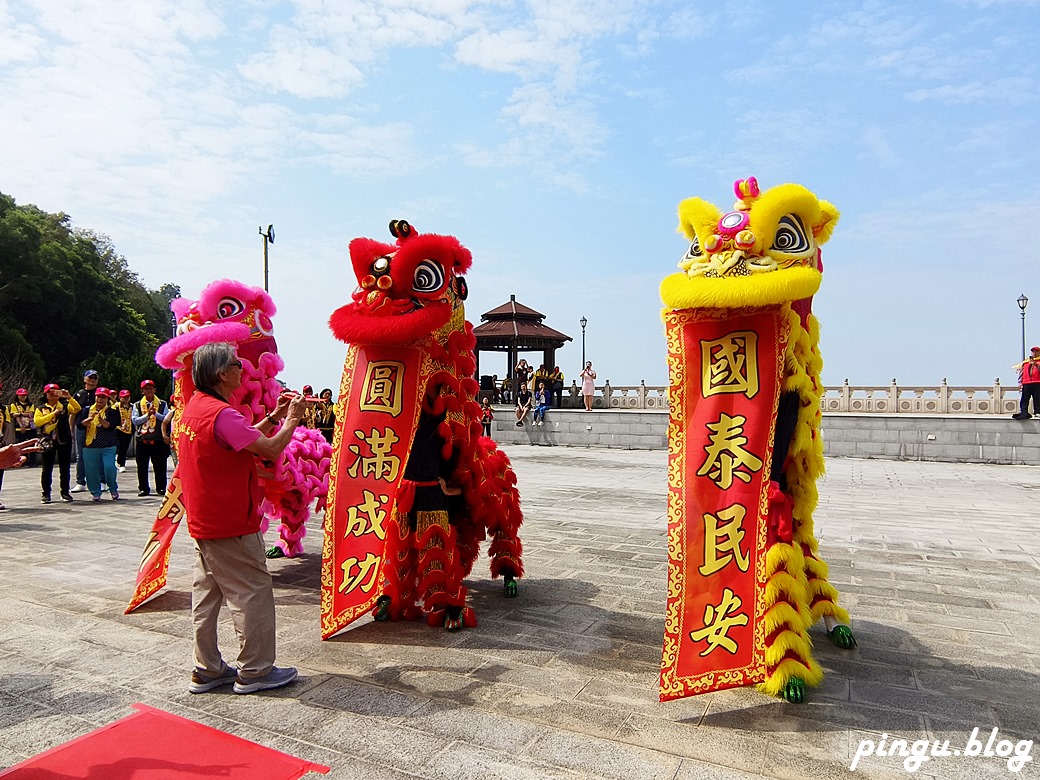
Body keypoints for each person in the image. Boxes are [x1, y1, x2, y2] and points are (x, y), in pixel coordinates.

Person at [179, 341, 307, 695]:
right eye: (237, 364)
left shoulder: (197, 408)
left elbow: (242, 438)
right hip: (230, 519)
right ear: (222, 374)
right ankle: (256, 670)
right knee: (252, 592)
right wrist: (294, 419)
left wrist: (274, 418)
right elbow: (267, 448)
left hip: (205, 520)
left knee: (207, 595)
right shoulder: (221, 414)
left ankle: (206, 668)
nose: (242, 370)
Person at [34, 384, 81, 503]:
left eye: (55, 392)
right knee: (47, 468)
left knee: (64, 467)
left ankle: (65, 492)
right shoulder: (40, 408)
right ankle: (46, 493)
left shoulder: (64, 406)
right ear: (45, 394)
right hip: (47, 441)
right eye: (50, 392)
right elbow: (38, 422)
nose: (52, 394)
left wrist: (69, 397)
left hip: (64, 439)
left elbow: (77, 409)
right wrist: (53, 414)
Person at [78, 386, 121, 501]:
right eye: (98, 397)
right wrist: (88, 420)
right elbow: (79, 425)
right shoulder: (87, 410)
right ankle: (95, 492)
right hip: (90, 445)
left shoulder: (112, 411)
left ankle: (112, 488)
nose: (100, 399)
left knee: (109, 468)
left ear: (107, 399)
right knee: (91, 471)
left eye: (103, 397)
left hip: (108, 445)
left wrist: (101, 420)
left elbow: (111, 426)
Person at [133, 379, 169, 497]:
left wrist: (155, 414)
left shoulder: (162, 403)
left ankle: (161, 488)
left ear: (155, 390)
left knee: (160, 465)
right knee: (142, 466)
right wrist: (147, 415)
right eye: (146, 388)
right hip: (142, 439)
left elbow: (165, 418)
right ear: (142, 391)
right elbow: (135, 420)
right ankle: (143, 488)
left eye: (150, 388)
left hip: (158, 440)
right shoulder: (137, 404)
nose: (148, 390)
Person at [70, 369, 99, 492]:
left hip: (97, 428)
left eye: (95, 378)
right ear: (84, 379)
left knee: (98, 455)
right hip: (82, 427)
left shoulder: (100, 393)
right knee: (81, 455)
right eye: (90, 377)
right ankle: (80, 481)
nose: (92, 380)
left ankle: (99, 481)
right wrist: (71, 429)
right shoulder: (78, 394)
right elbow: (73, 413)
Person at [9, 388, 38, 466]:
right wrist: (24, 414)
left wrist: (20, 413)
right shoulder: (14, 405)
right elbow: (14, 415)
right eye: (21, 395)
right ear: (18, 396)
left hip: (31, 427)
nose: (23, 397)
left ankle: (33, 461)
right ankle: (23, 461)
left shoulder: (31, 404)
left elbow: (31, 413)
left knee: (32, 445)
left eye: (25, 395)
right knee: (22, 445)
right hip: (19, 427)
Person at [1012, 346, 1040, 419]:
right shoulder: (1026, 362)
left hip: (1037, 382)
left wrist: (1036, 364)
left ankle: (1038, 411)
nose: (1034, 353)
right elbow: (1021, 373)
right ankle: (1024, 411)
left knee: (1037, 398)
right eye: (1033, 351)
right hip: (1026, 382)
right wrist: (1020, 383)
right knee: (1025, 398)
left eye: (1036, 351)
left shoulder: (1038, 362)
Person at [115, 389, 134, 472]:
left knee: (125, 447)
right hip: (119, 429)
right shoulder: (116, 406)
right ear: (120, 398)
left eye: (127, 397)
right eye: (124, 397)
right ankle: (121, 464)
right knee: (120, 446)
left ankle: (120, 461)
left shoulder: (132, 407)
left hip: (129, 430)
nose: (126, 399)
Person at [162, 395, 178, 466]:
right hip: (174, 442)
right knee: (177, 463)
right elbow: (164, 423)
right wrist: (164, 435)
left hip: (184, 442)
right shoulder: (172, 412)